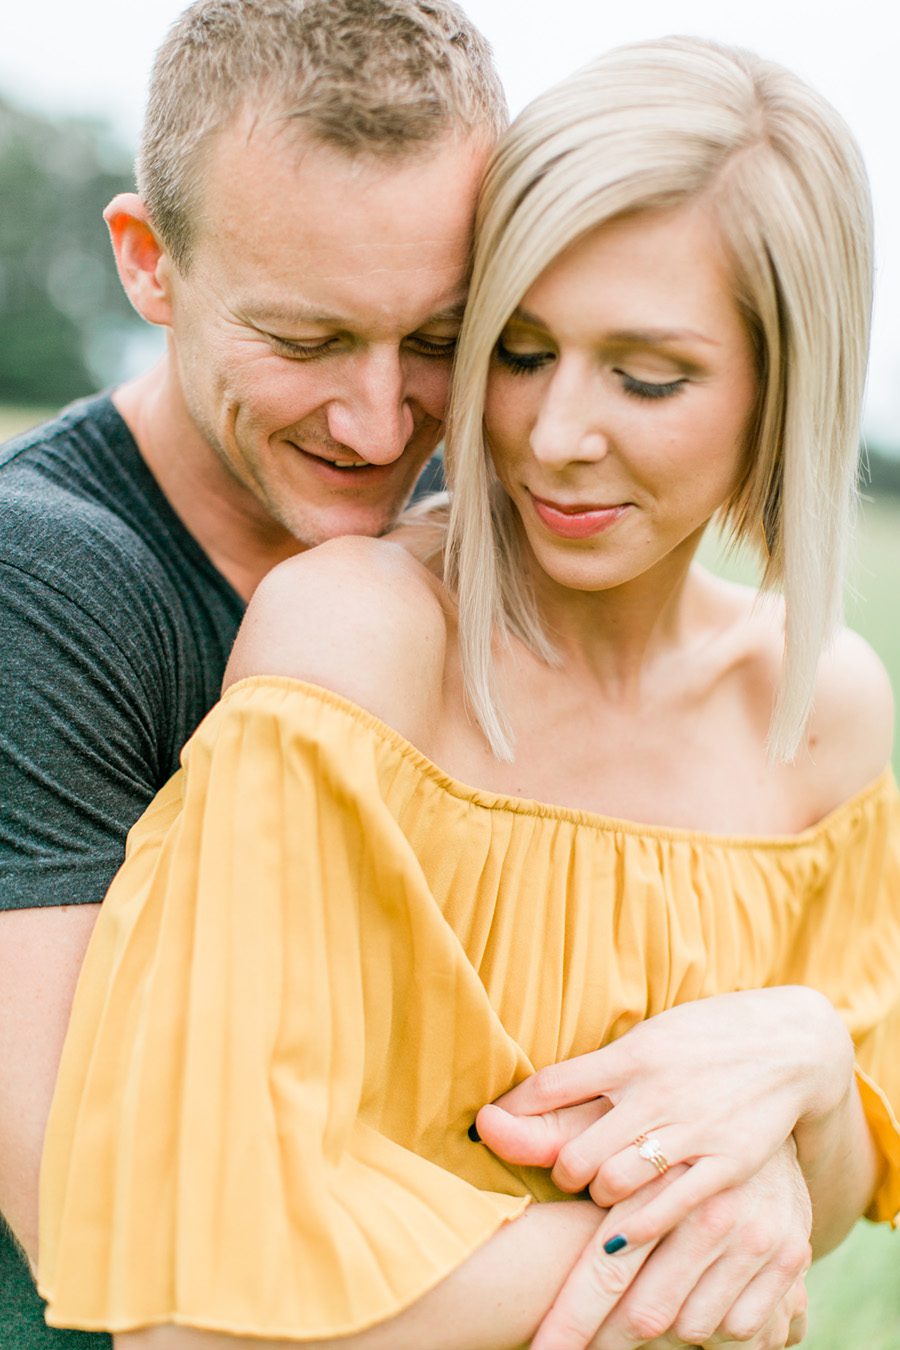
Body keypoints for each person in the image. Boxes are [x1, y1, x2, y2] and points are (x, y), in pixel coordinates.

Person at [36, 33, 900, 1350]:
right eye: (518, 350)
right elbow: (167, 1289)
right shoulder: (346, 627)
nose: (551, 436)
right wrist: (680, 1224)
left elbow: (819, 1213)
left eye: (649, 375)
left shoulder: (822, 703)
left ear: (785, 390)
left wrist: (806, 1065)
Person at [0, 2, 505, 1346]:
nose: (381, 419)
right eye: (305, 339)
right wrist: (627, 1247)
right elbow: (100, 1231)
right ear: (148, 263)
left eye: (441, 337)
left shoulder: (502, 533)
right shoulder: (40, 582)